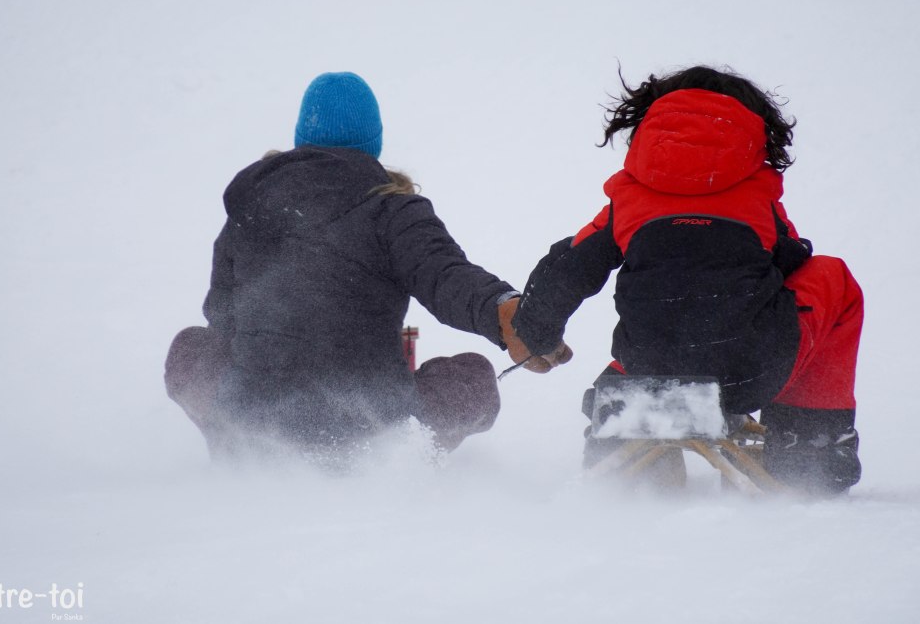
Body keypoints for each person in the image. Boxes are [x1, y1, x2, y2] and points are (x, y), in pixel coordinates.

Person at [165, 71, 570, 460]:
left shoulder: (252, 206)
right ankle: (401, 457)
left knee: (190, 349)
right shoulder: (393, 210)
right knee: (474, 377)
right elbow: (446, 276)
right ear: (372, 143)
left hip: (255, 417)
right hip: (371, 426)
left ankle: (242, 444)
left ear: (302, 138)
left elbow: (221, 314)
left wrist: (267, 363)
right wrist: (504, 313)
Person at [506, 65, 863, 494]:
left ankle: (627, 437)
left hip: (648, 367)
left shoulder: (629, 197)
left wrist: (539, 335)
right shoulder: (757, 195)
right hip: (751, 371)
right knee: (831, 275)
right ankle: (809, 449)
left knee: (661, 323)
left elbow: (568, 268)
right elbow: (790, 262)